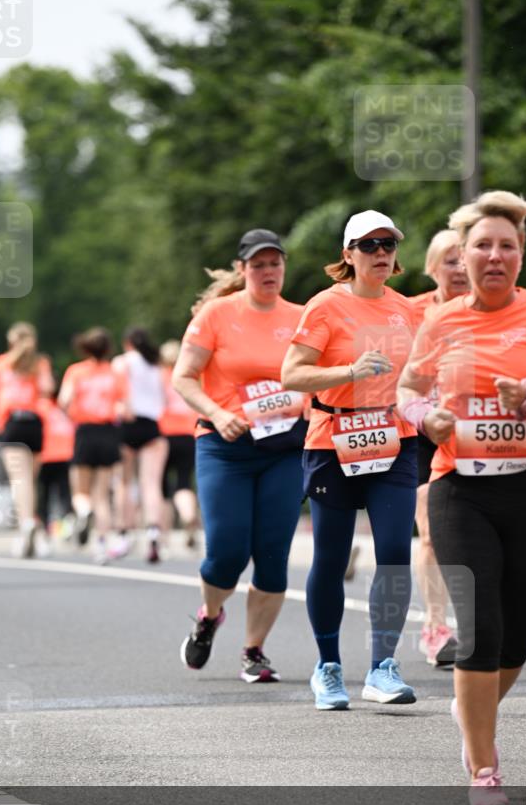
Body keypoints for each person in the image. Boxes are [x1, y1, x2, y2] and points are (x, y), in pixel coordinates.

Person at [397, 190, 526, 805]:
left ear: (521, 254)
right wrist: (424, 416)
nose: (494, 256)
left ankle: (471, 709)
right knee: (480, 628)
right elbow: (408, 387)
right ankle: (485, 770)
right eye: (482, 245)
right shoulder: (442, 321)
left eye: (506, 245)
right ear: (463, 254)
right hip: (460, 489)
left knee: (515, 641)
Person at [281, 210, 418, 709]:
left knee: (395, 553)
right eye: (369, 245)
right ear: (348, 254)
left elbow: (422, 374)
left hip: (395, 438)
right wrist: (349, 371)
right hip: (332, 439)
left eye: (388, 244)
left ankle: (382, 667)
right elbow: (292, 374)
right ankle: (328, 667)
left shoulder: (406, 309)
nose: (381, 253)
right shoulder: (325, 306)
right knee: (332, 557)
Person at [172, 228, 306, 683]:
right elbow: (183, 376)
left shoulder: (301, 317)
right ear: (242, 269)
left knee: (272, 552)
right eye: (258, 264)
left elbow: (314, 376)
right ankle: (210, 615)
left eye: (275, 263)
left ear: (284, 267)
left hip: (283, 448)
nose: (268, 272)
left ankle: (254, 651)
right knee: (227, 551)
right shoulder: (218, 314)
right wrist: (217, 412)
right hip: (224, 445)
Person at [409, 230, 470, 666]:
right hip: (420, 436)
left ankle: (487, 620)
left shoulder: (489, 312)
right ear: (432, 268)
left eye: (466, 260)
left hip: (476, 434)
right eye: (451, 261)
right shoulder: (409, 312)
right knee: (431, 532)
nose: (461, 269)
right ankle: (435, 627)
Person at [0, 322, 55, 558]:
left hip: (12, 422)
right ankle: (34, 524)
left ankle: (26, 524)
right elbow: (47, 388)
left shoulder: (1, 363)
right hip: (34, 423)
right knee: (30, 481)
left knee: (19, 479)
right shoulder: (40, 363)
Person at [58, 328, 126, 564]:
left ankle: (84, 511)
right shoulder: (114, 373)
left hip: (85, 431)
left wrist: (73, 415)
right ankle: (101, 545)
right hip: (108, 432)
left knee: (80, 491)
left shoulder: (76, 371)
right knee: (102, 494)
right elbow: (124, 408)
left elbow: (64, 400)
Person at [112, 327, 168, 563]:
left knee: (124, 482)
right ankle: (153, 531)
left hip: (127, 422)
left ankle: (124, 532)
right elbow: (165, 397)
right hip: (151, 423)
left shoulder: (122, 362)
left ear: (127, 343)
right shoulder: (156, 365)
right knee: (151, 483)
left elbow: (117, 391)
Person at [159, 339, 199, 548]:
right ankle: (188, 515)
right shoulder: (193, 377)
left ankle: (164, 537)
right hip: (189, 433)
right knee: (184, 482)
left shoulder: (160, 377)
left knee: (162, 486)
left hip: (164, 435)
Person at [36, 395, 75, 551]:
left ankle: (59, 529)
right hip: (51, 457)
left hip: (57, 457)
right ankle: (48, 531)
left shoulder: (54, 407)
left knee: (56, 496)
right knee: (50, 496)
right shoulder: (46, 407)